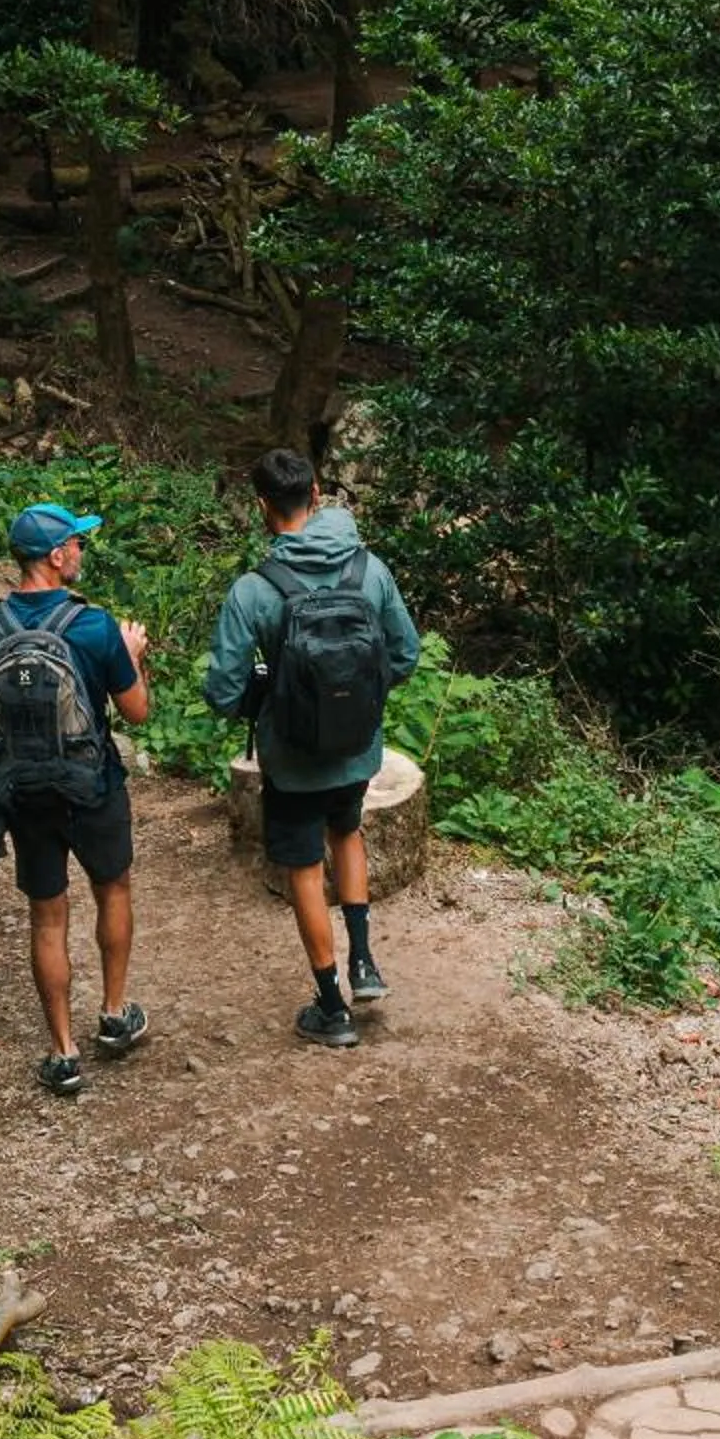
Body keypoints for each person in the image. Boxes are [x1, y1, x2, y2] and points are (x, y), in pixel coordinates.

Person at [203, 447, 421, 1048]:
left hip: (294, 760)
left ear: (262, 509)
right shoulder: (368, 570)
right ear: (318, 493)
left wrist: (268, 702)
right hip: (356, 750)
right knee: (346, 833)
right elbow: (405, 654)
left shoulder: (255, 589)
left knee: (302, 868)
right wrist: (357, 700)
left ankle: (330, 1007)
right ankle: (363, 964)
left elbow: (222, 690)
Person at [0, 501, 151, 1097]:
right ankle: (115, 1015)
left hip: (23, 789)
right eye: (78, 544)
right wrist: (134, 657)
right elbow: (137, 712)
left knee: (47, 914)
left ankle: (63, 1052)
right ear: (55, 555)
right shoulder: (93, 626)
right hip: (91, 784)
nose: (82, 553)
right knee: (112, 888)